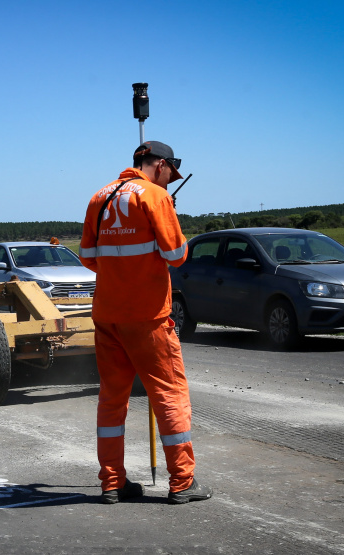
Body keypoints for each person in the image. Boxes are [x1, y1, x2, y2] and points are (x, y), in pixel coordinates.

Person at [79, 141, 212, 505]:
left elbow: (89, 258)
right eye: (170, 175)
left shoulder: (99, 198)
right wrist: (170, 223)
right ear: (160, 165)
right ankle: (183, 482)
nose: (170, 183)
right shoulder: (155, 196)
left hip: (107, 316)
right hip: (149, 318)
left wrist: (121, 271)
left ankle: (111, 483)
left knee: (111, 401)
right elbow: (176, 255)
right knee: (169, 396)